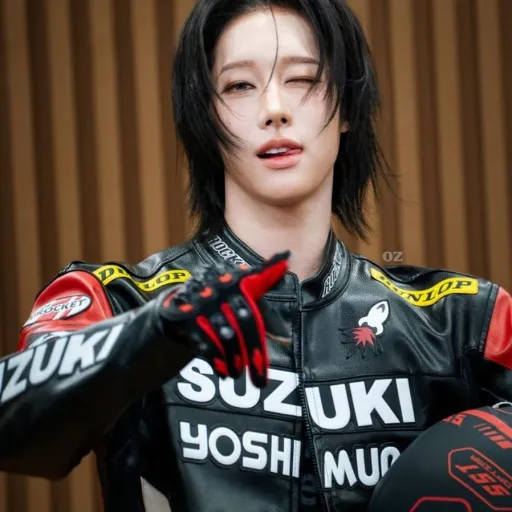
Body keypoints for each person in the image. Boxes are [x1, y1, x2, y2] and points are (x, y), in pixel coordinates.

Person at [0, 0, 510, 510]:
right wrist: (154, 335)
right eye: (239, 85)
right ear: (206, 117)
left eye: (303, 79)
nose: (274, 109)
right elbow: (14, 424)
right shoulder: (117, 301)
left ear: (348, 107)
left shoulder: (462, 321)